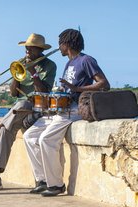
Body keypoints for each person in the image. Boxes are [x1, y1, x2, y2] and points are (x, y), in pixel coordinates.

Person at [23, 28, 110, 196]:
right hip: (62, 109)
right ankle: (42, 180)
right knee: (29, 136)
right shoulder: (69, 63)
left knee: (46, 139)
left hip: (75, 109)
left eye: (60, 43)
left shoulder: (86, 60)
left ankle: (56, 185)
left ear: (67, 44)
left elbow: (104, 84)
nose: (58, 47)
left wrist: (77, 88)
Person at [0, 33, 57, 191]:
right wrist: (16, 75)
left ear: (39, 50)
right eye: (26, 49)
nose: (27, 52)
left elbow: (43, 92)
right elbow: (13, 94)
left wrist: (32, 71)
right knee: (5, 131)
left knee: (23, 103)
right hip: (20, 110)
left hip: (39, 107)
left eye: (30, 49)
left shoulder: (49, 65)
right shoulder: (21, 63)